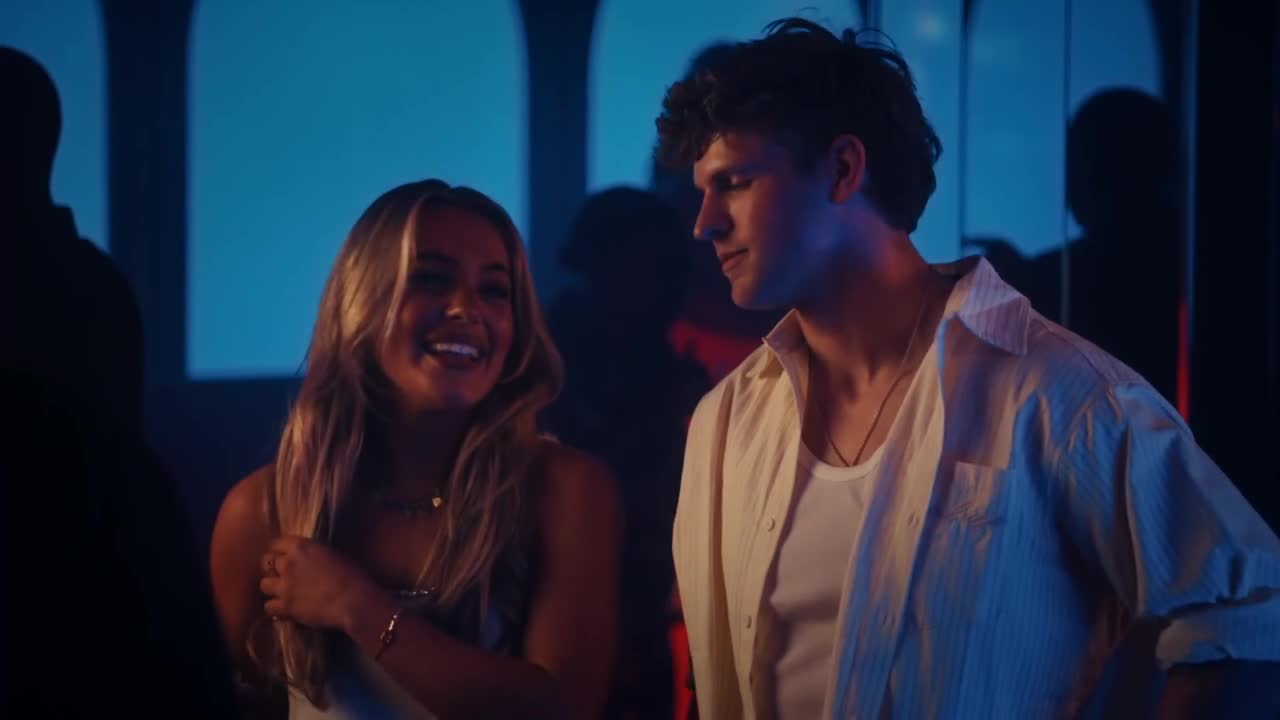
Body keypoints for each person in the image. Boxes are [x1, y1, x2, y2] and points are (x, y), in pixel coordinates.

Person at [658, 18, 1280, 719]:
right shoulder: (725, 422)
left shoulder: (1054, 393)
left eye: (735, 182)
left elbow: (1252, 613)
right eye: (703, 190)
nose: (704, 222)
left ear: (842, 170)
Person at [210, 179, 622, 719]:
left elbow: (563, 710)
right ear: (362, 300)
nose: (467, 309)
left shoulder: (562, 489)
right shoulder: (264, 509)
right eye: (430, 279)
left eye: (494, 290)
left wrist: (356, 606)